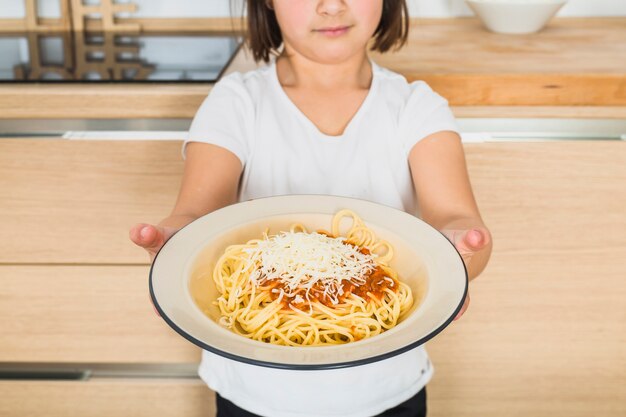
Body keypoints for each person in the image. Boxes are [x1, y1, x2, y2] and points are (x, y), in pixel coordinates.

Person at [129, 1, 492, 416]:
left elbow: (457, 222)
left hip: (388, 391)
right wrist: (176, 244)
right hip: (252, 392)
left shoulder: (417, 107)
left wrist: (461, 252)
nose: (331, 5)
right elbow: (195, 214)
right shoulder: (237, 102)